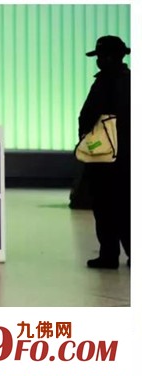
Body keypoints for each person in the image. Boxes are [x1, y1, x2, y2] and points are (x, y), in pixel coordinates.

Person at [78, 35, 131, 269]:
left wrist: (83, 137)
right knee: (127, 205)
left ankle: (109, 255)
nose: (98, 61)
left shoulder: (104, 83)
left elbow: (89, 116)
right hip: (128, 156)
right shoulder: (131, 81)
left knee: (105, 206)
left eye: (100, 56)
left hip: (104, 157)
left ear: (108, 57)